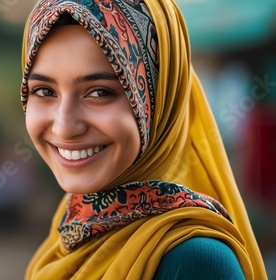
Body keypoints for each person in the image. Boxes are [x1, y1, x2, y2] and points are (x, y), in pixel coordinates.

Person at [19, 0, 268, 279]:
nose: (65, 127)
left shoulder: (194, 260)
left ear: (160, 101)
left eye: (100, 92)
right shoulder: (71, 225)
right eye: (43, 90)